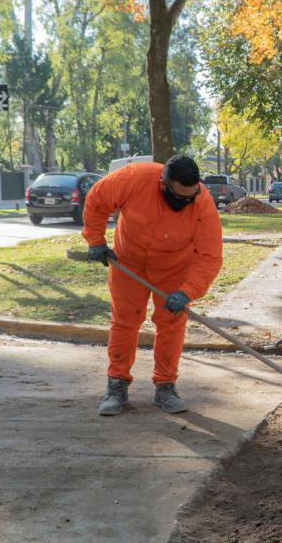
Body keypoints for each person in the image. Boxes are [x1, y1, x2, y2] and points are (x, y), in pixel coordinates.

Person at [82, 155, 223, 416]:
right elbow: (97, 200)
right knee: (125, 321)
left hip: (174, 268)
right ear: (164, 185)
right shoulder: (133, 178)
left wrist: (187, 291)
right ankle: (117, 386)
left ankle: (166, 387)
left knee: (171, 322)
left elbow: (210, 256)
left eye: (191, 197)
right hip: (129, 262)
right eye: (181, 198)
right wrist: (95, 240)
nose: (187, 203)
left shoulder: (203, 205)